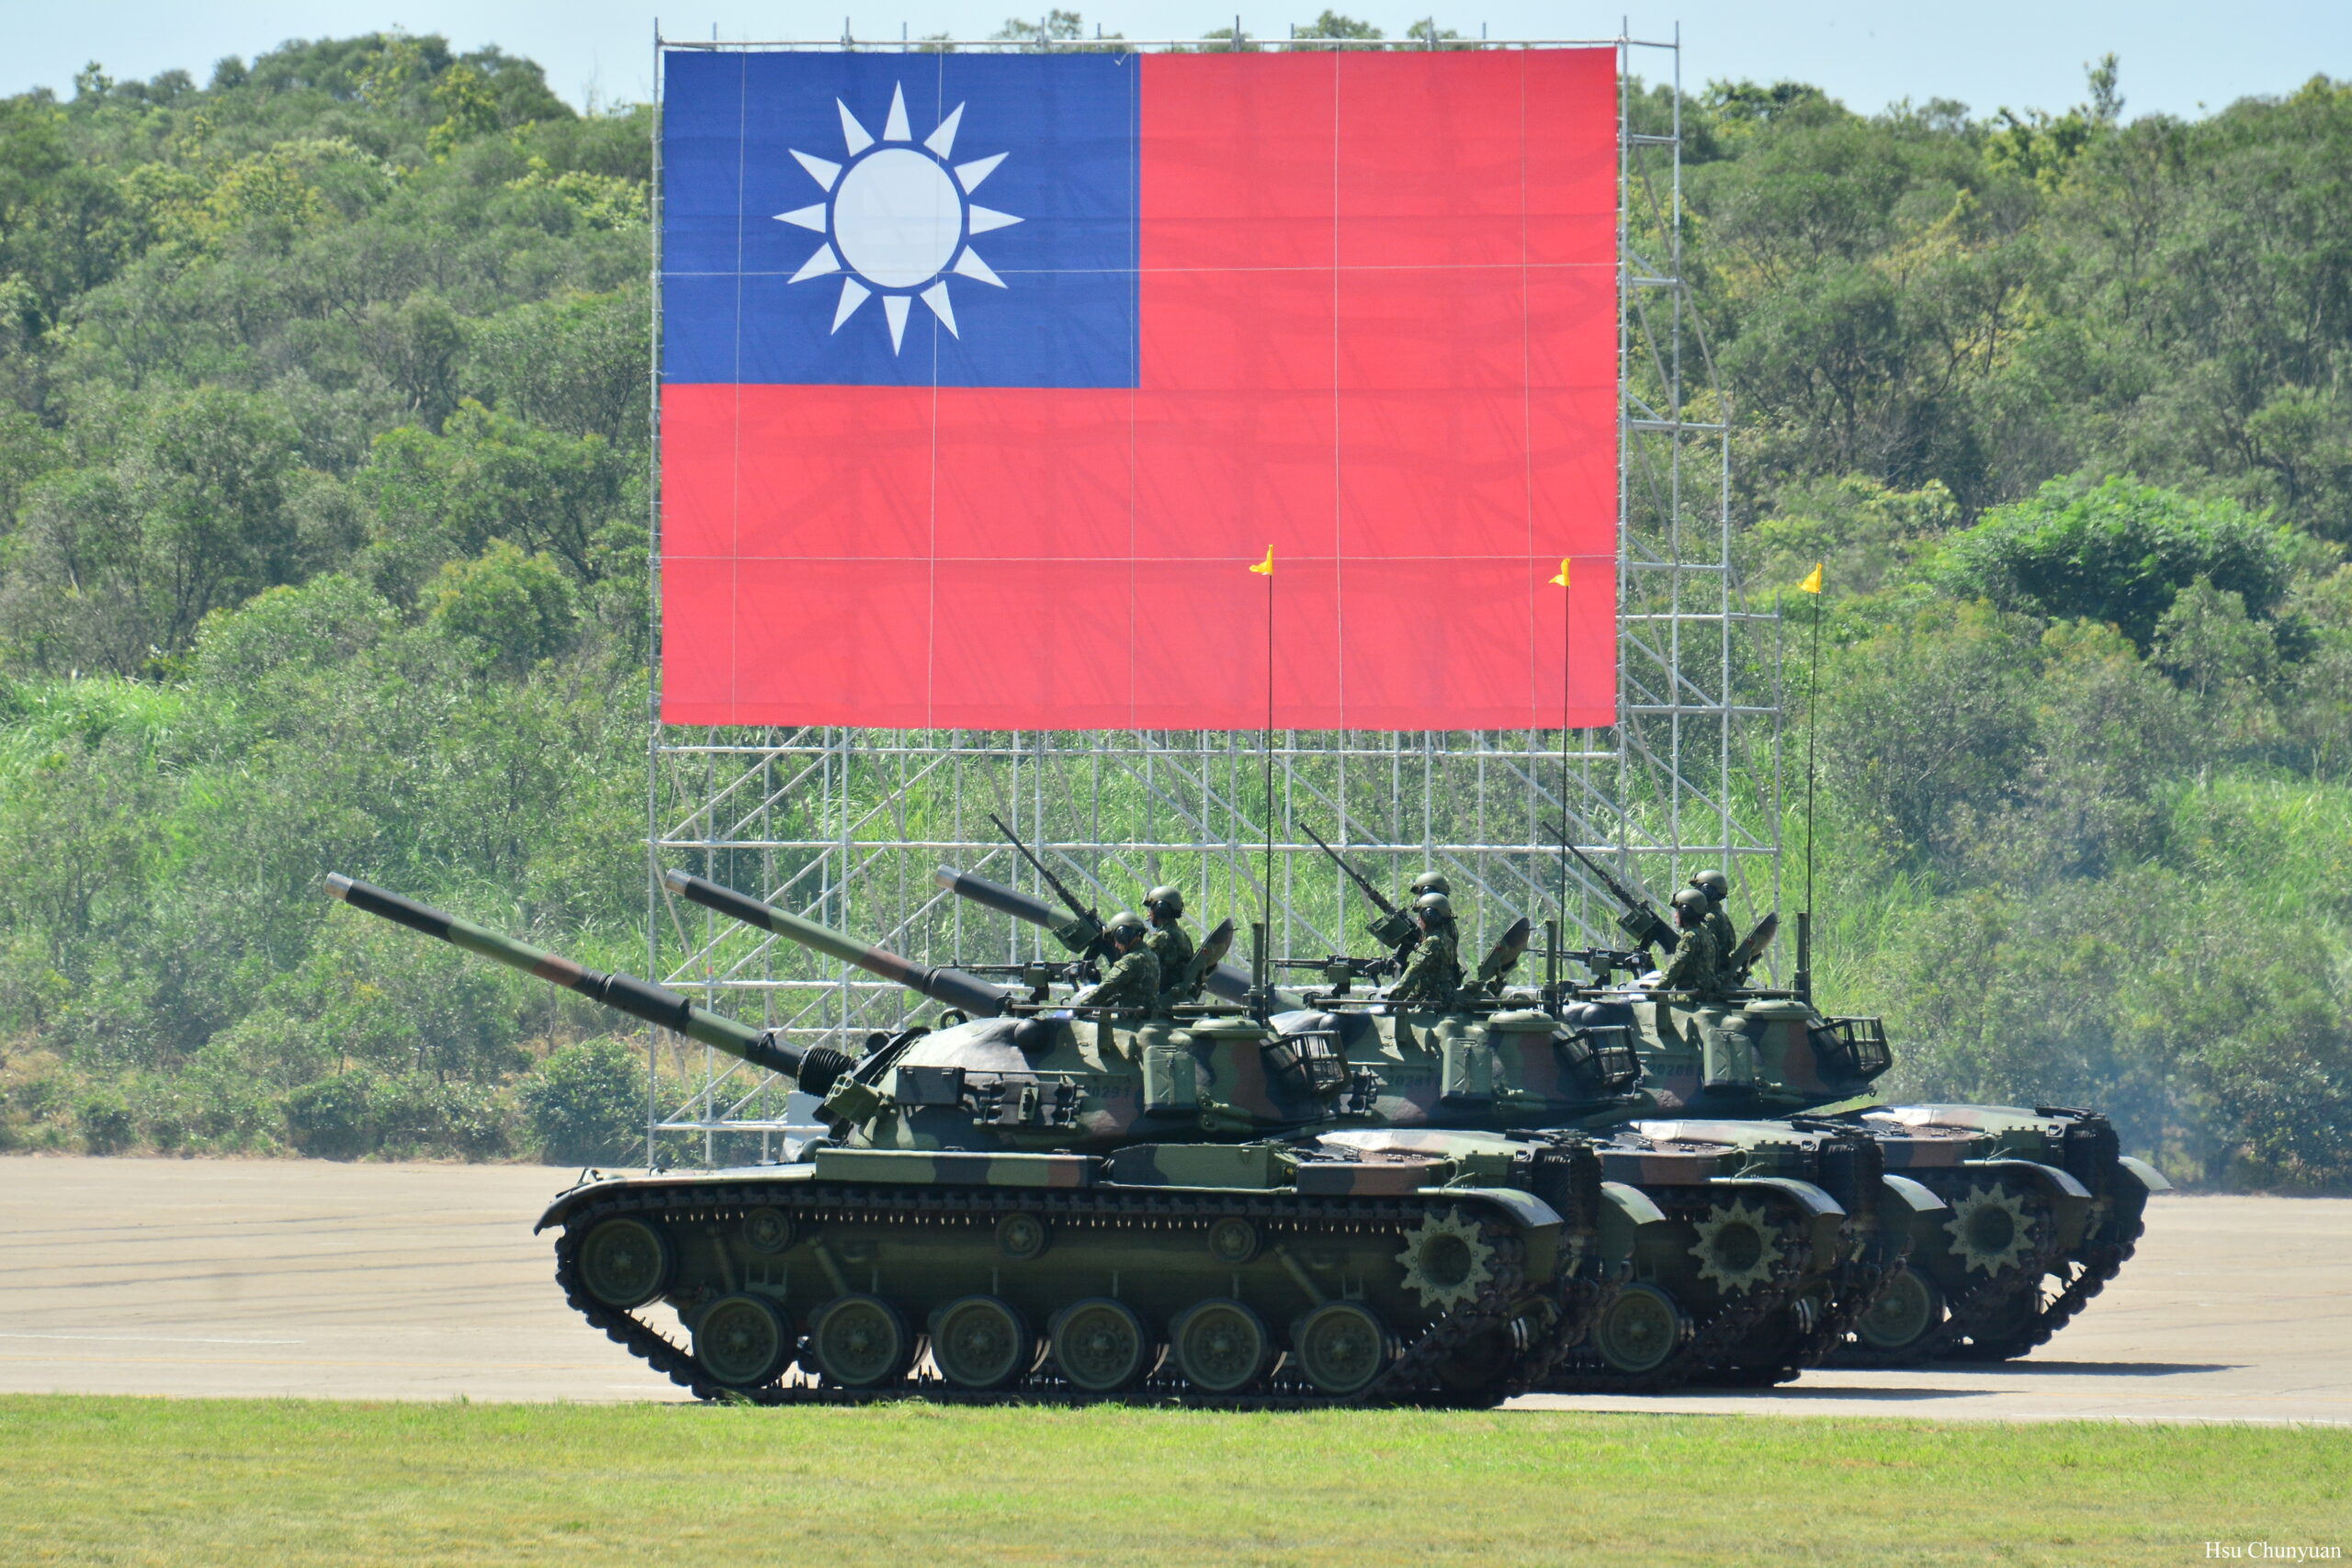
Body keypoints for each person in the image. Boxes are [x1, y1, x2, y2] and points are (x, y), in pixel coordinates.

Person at [1386, 892, 1462, 1007]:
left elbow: (1413, 972)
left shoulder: (1432, 942)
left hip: (1431, 1002)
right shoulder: (1448, 940)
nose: (1418, 919)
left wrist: (1391, 1002)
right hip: (1443, 1000)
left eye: (1421, 915)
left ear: (1429, 916)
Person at [1071, 912, 1160, 1010]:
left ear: (1123, 935)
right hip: (1148, 1016)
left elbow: (1106, 988)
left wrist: (1077, 1010)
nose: (1116, 945)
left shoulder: (1131, 960)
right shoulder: (1151, 955)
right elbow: (1119, 993)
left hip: (1133, 1020)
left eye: (1116, 940)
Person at [1657, 887, 1723, 1002]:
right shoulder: (1708, 934)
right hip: (1707, 996)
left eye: (1677, 911)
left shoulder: (1690, 938)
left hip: (1689, 999)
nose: (1676, 915)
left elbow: (1675, 969)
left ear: (1685, 912)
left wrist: (1655, 991)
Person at [1690, 869, 1738, 987]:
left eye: (1698, 888)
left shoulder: (1709, 918)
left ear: (1707, 891)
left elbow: (1704, 950)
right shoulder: (1721, 916)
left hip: (1709, 976)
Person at [1141, 884, 1194, 982]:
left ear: (1160, 909)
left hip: (1164, 994)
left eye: (1151, 909)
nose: (1149, 913)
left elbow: (1138, 961)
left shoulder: (1162, 937)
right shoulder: (1183, 934)